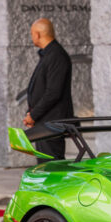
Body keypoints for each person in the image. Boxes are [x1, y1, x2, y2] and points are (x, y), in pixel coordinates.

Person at [23, 18, 73, 162]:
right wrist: (32, 114)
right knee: (45, 165)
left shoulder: (56, 56)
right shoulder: (48, 55)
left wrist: (33, 115)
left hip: (52, 122)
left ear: (38, 34)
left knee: (52, 165)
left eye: (32, 33)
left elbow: (53, 93)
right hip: (44, 121)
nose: (31, 37)